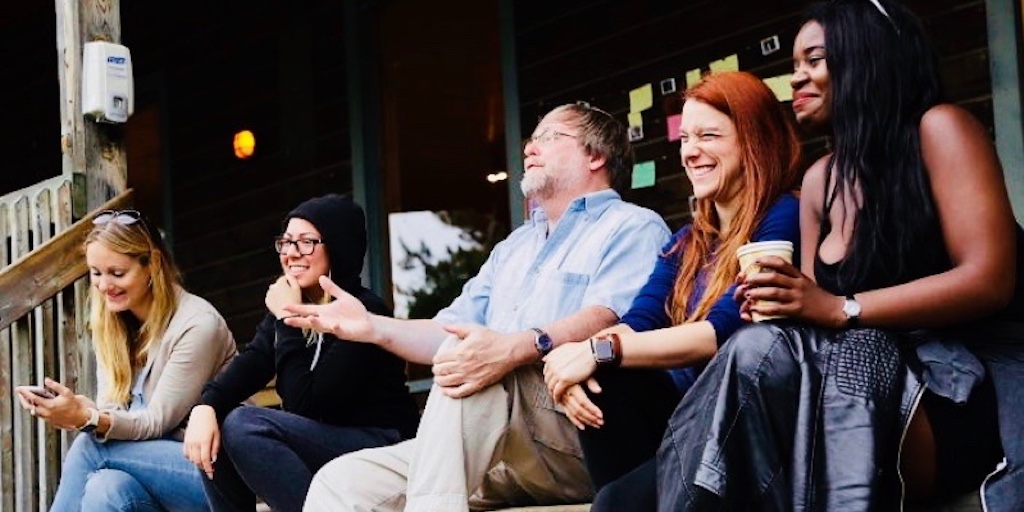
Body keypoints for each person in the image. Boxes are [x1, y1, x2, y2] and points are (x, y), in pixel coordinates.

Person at [657, 1, 1024, 510]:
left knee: (760, 355)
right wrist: (782, 302)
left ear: (867, 58)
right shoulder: (819, 182)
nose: (797, 79)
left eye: (814, 60)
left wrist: (841, 307)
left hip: (963, 384)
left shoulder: (940, 130)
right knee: (620, 494)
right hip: (855, 386)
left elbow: (989, 279)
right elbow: (809, 325)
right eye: (793, 67)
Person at [287, 103, 671, 512]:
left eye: (549, 137)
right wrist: (373, 327)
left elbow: (611, 317)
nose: (530, 147)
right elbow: (447, 333)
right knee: (342, 482)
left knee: (476, 361)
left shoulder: (632, 225)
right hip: (503, 448)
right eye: (531, 138)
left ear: (596, 156)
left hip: (581, 431)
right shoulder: (514, 247)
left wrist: (515, 347)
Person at [541, 71, 802, 512]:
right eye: (685, 138)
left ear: (754, 140)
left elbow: (725, 329)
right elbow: (639, 322)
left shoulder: (783, 215)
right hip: (679, 422)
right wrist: (576, 364)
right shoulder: (686, 243)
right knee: (603, 379)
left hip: (739, 427)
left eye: (709, 136)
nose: (690, 151)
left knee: (614, 503)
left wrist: (598, 351)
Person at [182, 195, 420, 512]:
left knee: (244, 425)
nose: (291, 253)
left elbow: (307, 406)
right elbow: (252, 363)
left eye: (306, 242)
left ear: (338, 247)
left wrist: (286, 321)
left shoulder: (362, 312)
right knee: (220, 424)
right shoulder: (291, 310)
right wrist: (206, 406)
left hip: (382, 445)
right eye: (286, 242)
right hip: (329, 444)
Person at [16, 209, 236, 512]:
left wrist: (90, 419)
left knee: (90, 447)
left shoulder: (197, 324)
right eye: (96, 272)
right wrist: (85, 410)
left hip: (214, 477)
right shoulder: (112, 325)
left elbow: (157, 422)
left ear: (153, 265)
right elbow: (115, 412)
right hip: (150, 477)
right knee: (103, 489)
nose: (105, 285)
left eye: (117, 273)